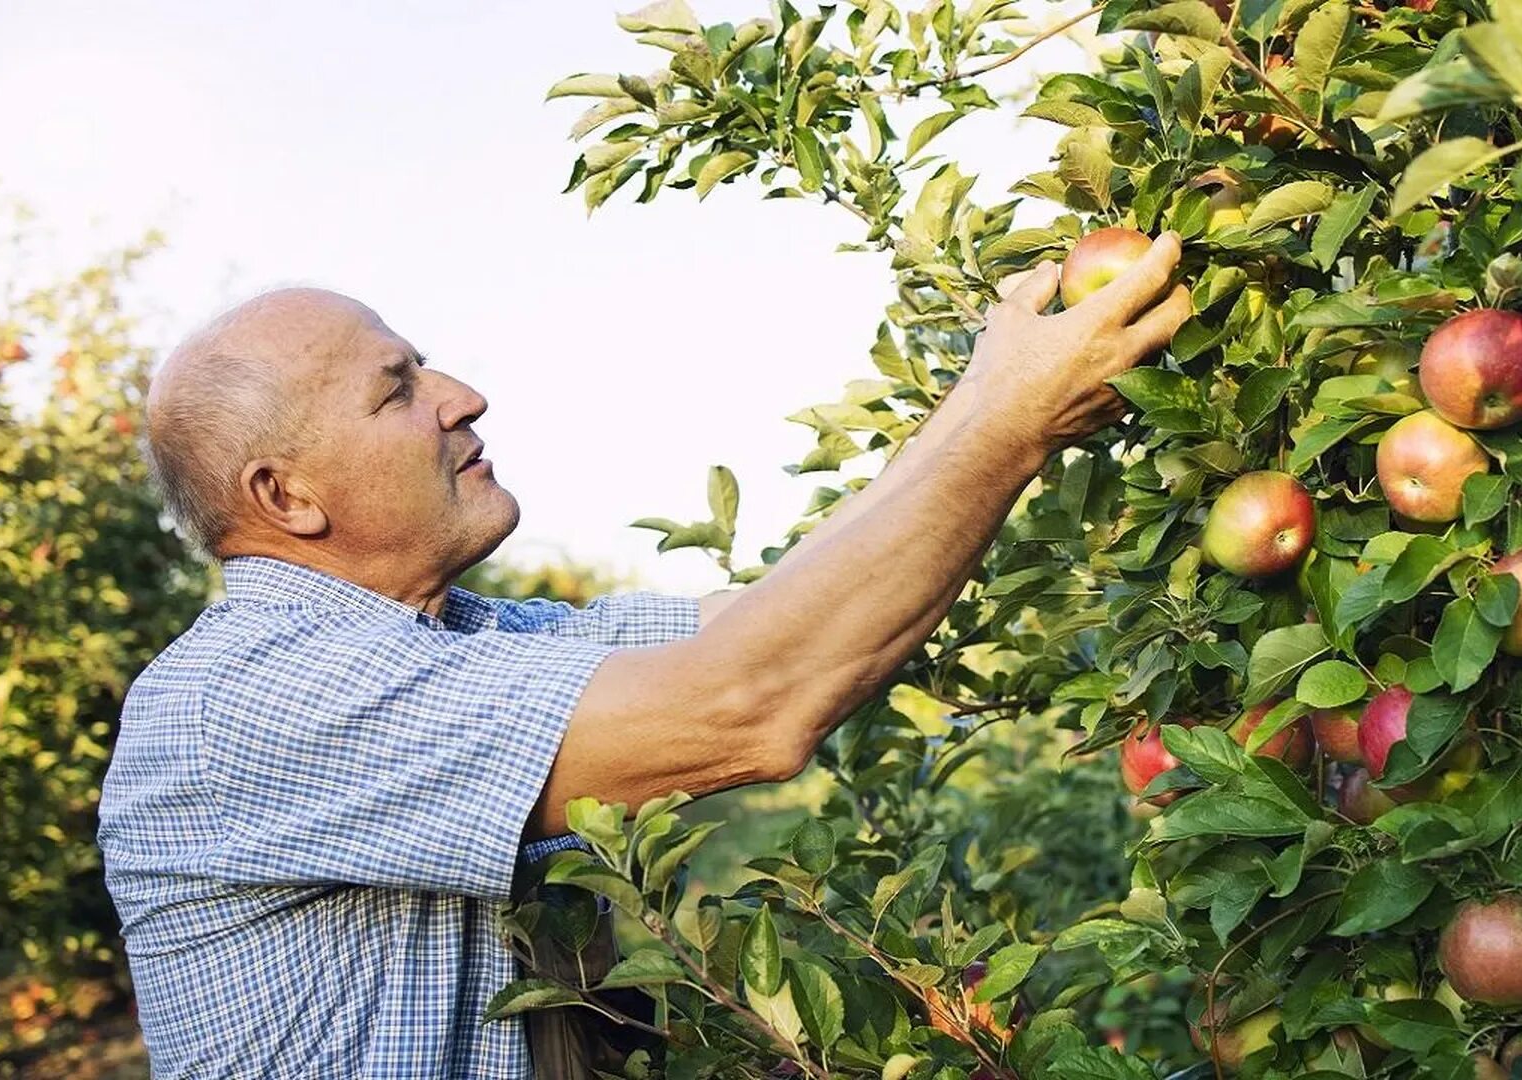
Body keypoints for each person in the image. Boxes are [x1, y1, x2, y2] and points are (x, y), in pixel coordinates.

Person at [96, 233, 1190, 1078]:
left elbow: (756, 627)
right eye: (397, 387)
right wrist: (1008, 419)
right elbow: (745, 704)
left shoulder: (460, 643)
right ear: (287, 497)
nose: (461, 396)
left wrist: (993, 396)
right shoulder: (244, 698)